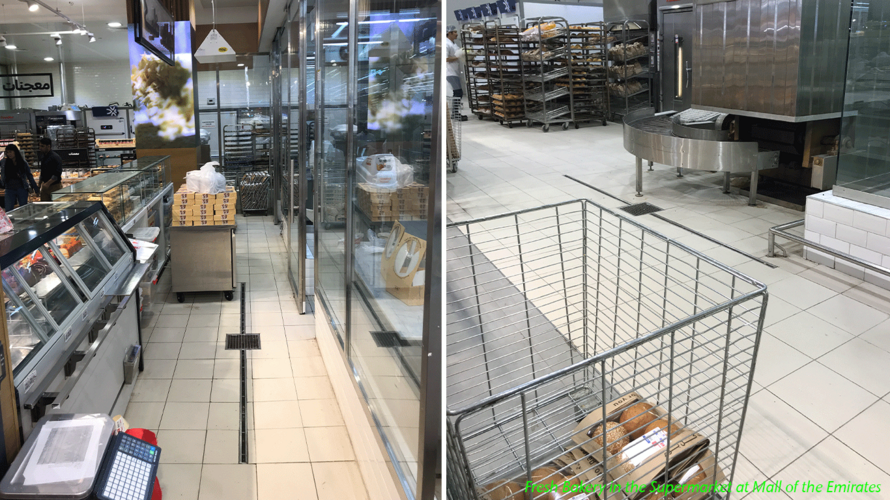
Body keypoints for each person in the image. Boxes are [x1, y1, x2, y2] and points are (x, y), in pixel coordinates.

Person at [1, 144, 38, 212]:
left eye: (10, 152)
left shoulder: (22, 162)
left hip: (21, 188)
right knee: (8, 210)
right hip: (9, 189)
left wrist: (35, 188)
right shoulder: (4, 162)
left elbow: (29, 175)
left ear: (15, 152)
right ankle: (11, 222)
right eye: (7, 152)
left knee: (23, 209)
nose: (9, 154)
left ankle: (24, 221)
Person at [446, 25, 468, 120]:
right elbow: (446, 58)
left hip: (455, 71)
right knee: (458, 92)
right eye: (454, 32)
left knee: (458, 92)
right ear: (449, 33)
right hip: (449, 72)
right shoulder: (446, 44)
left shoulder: (454, 44)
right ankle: (455, 114)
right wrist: (459, 56)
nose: (456, 34)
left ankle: (455, 113)